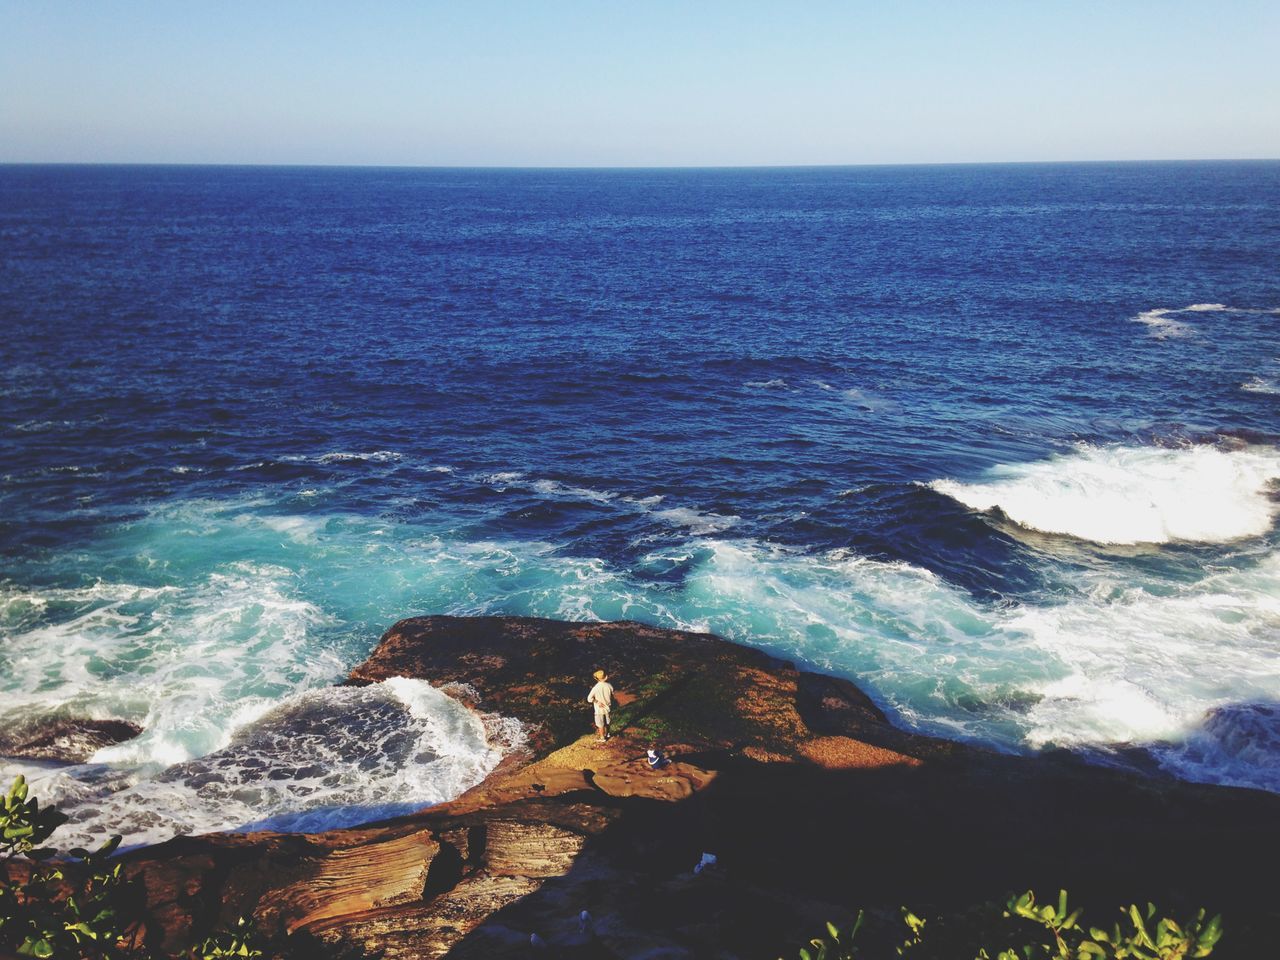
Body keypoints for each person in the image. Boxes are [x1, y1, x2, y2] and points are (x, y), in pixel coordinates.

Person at [587, 668, 613, 742]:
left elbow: (589, 699)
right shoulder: (609, 686)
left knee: (600, 724)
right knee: (608, 722)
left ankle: (602, 738)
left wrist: (597, 701)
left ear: (597, 679)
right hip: (608, 707)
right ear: (605, 677)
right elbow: (612, 695)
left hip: (599, 709)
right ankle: (608, 734)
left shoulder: (596, 688)